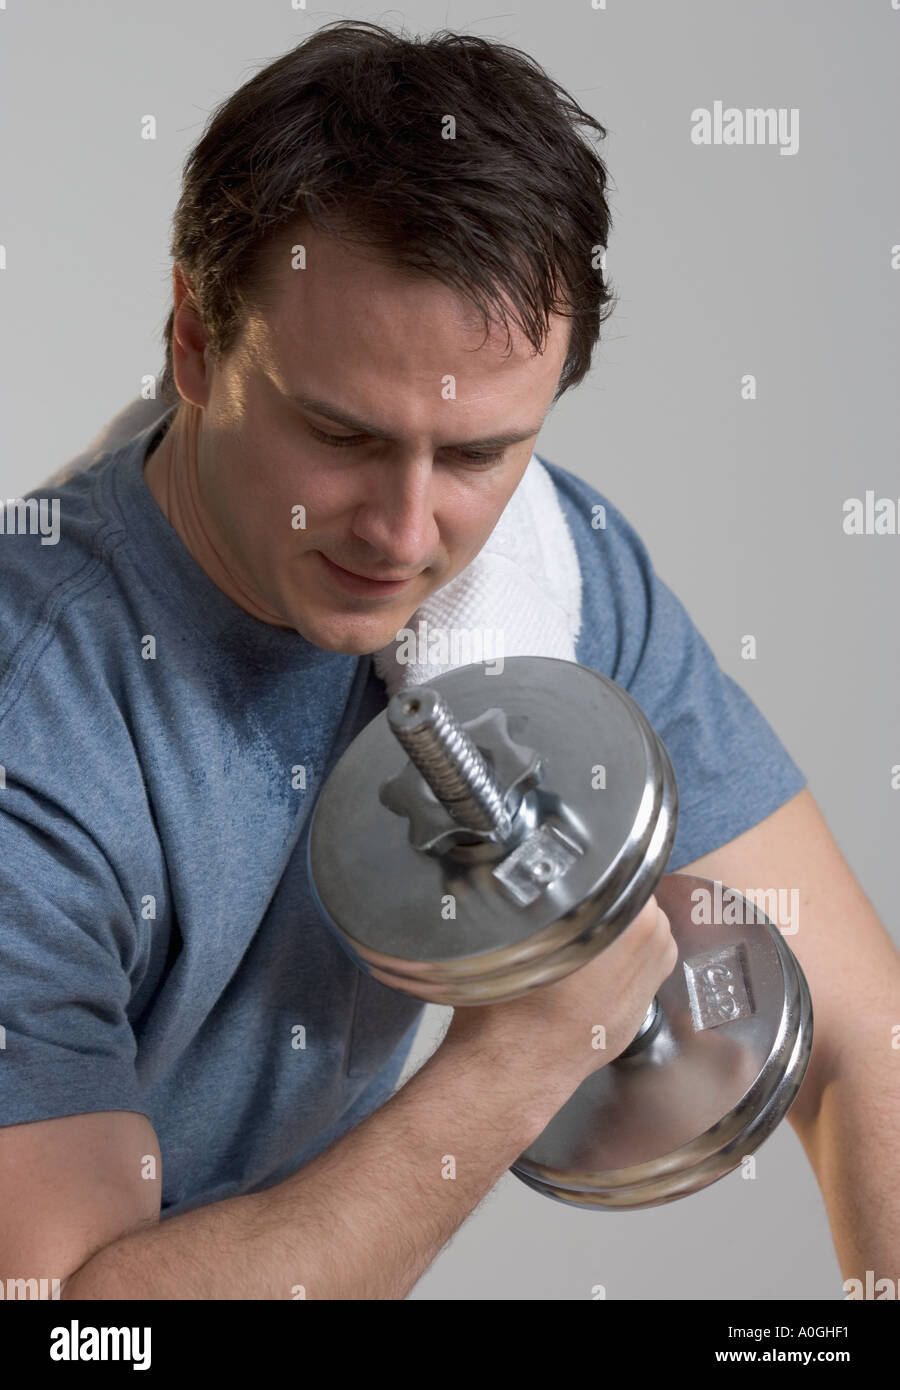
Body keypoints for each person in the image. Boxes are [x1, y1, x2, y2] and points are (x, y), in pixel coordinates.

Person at [1, 20, 897, 1301]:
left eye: (477, 453)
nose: (407, 532)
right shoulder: (37, 720)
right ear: (195, 341)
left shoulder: (539, 581)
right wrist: (521, 1054)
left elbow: (870, 1047)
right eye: (339, 433)